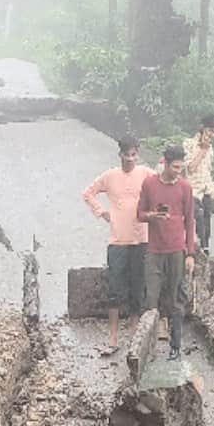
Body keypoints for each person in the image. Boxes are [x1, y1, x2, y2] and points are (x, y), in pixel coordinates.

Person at [81, 136, 155, 356]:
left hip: (141, 239)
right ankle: (113, 338)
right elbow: (88, 193)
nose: (131, 159)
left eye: (134, 155)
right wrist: (101, 211)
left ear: (138, 155)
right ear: (120, 155)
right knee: (114, 289)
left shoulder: (146, 174)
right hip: (117, 241)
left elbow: (162, 185)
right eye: (127, 154)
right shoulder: (110, 176)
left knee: (137, 288)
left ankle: (134, 336)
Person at [137, 144, 198, 362]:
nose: (177, 172)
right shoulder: (149, 184)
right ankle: (148, 349)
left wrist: (190, 253)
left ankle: (175, 346)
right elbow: (139, 214)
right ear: (164, 162)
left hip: (176, 251)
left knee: (176, 300)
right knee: (151, 299)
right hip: (154, 250)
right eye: (174, 168)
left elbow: (190, 221)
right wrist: (153, 216)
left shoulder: (185, 188)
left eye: (181, 168)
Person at [183, 114, 214, 255]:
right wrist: (203, 149)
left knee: (207, 225)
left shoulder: (211, 148)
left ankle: (205, 252)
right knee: (197, 220)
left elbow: (207, 171)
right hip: (192, 191)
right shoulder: (188, 144)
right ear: (202, 128)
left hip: (206, 191)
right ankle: (194, 251)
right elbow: (190, 169)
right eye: (210, 130)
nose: (212, 135)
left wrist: (212, 188)